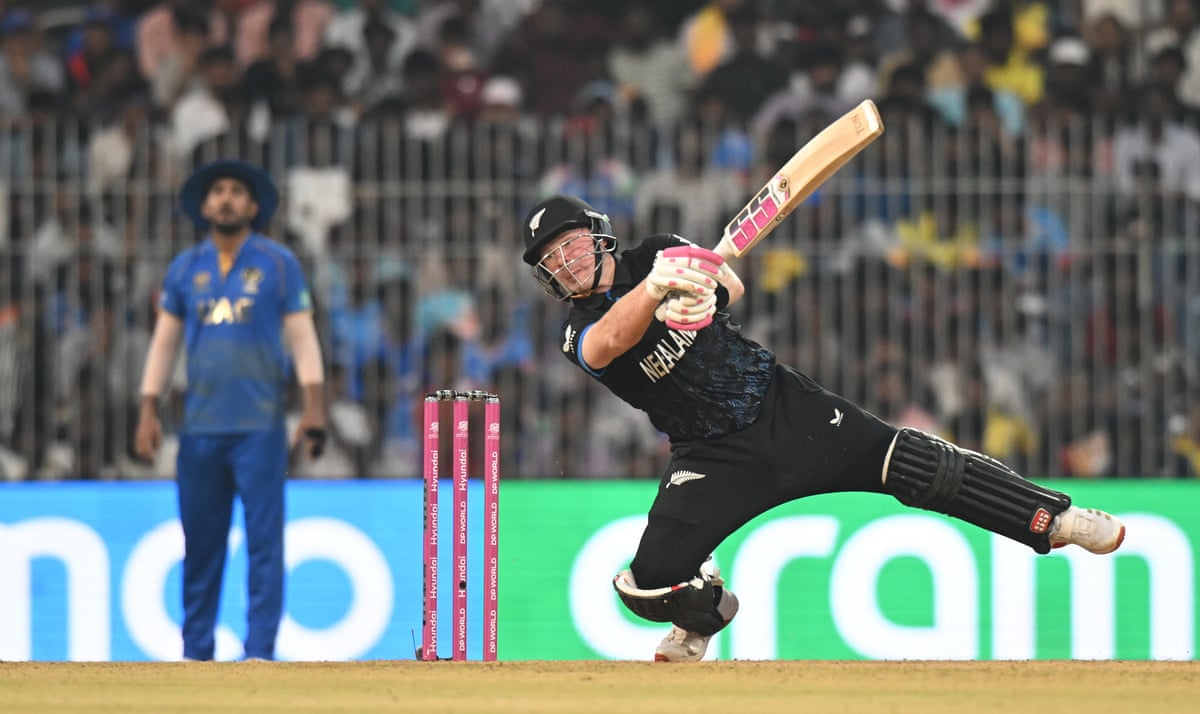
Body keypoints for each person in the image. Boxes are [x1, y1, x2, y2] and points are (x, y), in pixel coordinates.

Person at [520, 195, 1126, 663]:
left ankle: (1057, 519)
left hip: (788, 410)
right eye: (553, 261)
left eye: (571, 246)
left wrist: (701, 292)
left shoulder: (657, 249)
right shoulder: (578, 329)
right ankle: (702, 612)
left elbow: (730, 281)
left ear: (599, 238)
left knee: (916, 466)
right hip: (710, 454)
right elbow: (610, 343)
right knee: (643, 586)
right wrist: (658, 291)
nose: (567, 264)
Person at [134, 159, 328, 661]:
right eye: (217, 191)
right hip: (199, 429)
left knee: (265, 545)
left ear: (254, 205)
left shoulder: (279, 263)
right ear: (203, 206)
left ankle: (259, 653)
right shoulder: (184, 269)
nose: (225, 198)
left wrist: (314, 408)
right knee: (201, 547)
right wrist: (147, 409)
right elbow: (163, 345)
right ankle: (195, 653)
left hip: (259, 429)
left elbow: (303, 338)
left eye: (237, 191)